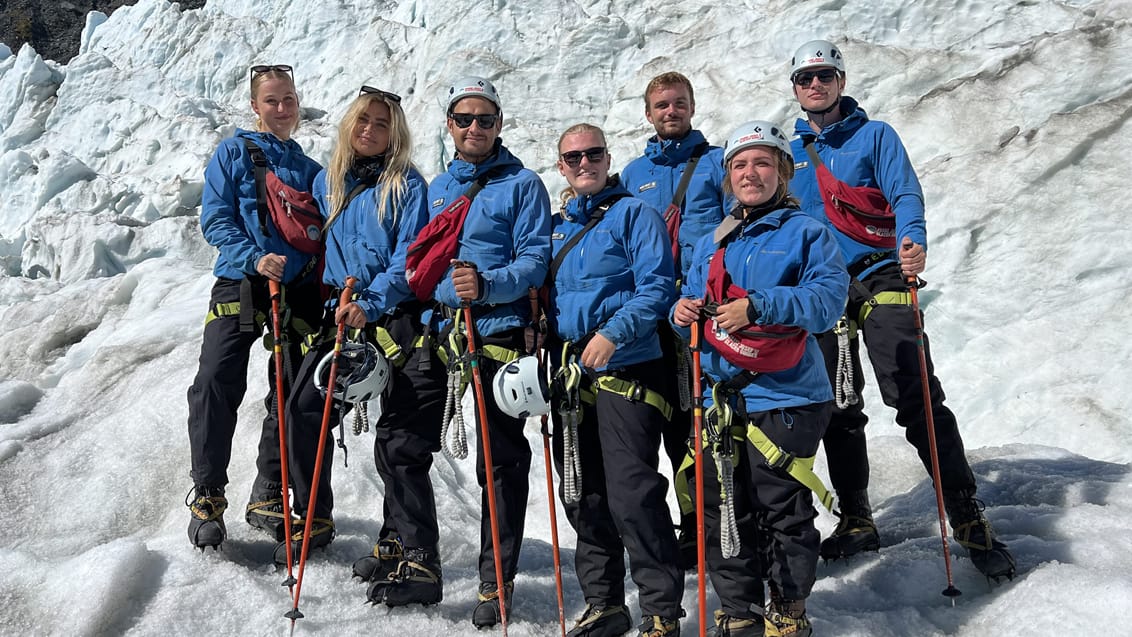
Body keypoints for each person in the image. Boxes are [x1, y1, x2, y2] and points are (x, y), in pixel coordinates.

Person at [786, 39, 1016, 579]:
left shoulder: (875, 135)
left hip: (876, 274)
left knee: (913, 391)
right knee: (838, 407)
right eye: (805, 78)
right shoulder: (787, 152)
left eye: (824, 75)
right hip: (820, 289)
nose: (815, 85)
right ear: (794, 88)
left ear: (841, 80)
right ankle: (857, 518)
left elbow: (904, 193)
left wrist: (911, 239)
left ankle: (965, 513)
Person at [672, 121, 847, 637]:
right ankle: (738, 609)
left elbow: (826, 303)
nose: (751, 173)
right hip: (722, 396)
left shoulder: (808, 233)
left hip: (787, 393)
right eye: (741, 165)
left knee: (782, 509)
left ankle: (788, 609)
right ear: (728, 177)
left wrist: (759, 307)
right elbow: (687, 302)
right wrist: (680, 312)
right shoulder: (711, 242)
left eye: (763, 162)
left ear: (782, 172)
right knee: (724, 506)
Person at [278, 86, 448, 611]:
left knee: (398, 439)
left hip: (393, 319)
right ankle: (316, 514)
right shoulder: (328, 183)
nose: (370, 130)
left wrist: (372, 302)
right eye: (363, 121)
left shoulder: (407, 186)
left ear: (395, 133)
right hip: (341, 315)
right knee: (303, 408)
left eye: (382, 123)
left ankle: (409, 548)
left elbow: (409, 260)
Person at [544, 124, 683, 637]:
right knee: (583, 493)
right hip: (572, 374)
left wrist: (612, 333)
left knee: (632, 492)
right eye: (573, 156)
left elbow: (656, 287)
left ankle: (660, 611)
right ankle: (603, 602)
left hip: (628, 369)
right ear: (561, 166)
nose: (584, 163)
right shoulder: (556, 228)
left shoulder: (634, 215)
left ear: (607, 158)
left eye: (593, 154)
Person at [428, 76, 552, 628]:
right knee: (404, 443)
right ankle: (410, 555)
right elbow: (423, 266)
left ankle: (494, 577)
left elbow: (534, 259)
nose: (474, 128)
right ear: (450, 126)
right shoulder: (436, 188)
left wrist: (486, 283)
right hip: (447, 332)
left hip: (498, 333)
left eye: (485, 119)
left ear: (499, 125)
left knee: (500, 460)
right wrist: (446, 291)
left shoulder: (523, 185)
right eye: (464, 119)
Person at [185, 64, 323, 550]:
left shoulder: (310, 170)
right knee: (215, 381)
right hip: (242, 281)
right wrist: (254, 257)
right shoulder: (232, 152)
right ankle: (207, 495)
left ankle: (269, 491)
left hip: (295, 287)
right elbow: (217, 219)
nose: (282, 109)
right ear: (254, 105)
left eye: (288, 99)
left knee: (288, 390)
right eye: (272, 100)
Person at [620, 71, 728, 566]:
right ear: (648, 113)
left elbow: (736, 227)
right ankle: (686, 527)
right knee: (666, 421)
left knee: (699, 424)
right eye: (662, 105)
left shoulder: (715, 164)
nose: (671, 111)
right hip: (651, 317)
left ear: (692, 107)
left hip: (700, 314)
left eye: (679, 103)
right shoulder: (630, 175)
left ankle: (707, 525)